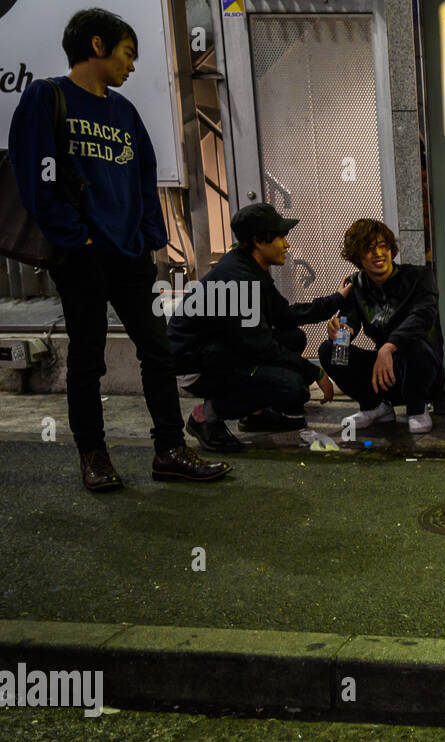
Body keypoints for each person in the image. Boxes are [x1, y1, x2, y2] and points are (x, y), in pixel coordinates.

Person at [7, 7, 229, 489]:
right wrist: (77, 239)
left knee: (157, 349)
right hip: (81, 256)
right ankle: (94, 456)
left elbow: (144, 177)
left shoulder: (124, 112)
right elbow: (37, 180)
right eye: (128, 54)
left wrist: (151, 237)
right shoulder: (46, 98)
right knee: (88, 359)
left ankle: (169, 450)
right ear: (96, 46)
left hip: (130, 255)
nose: (132, 66)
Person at [168, 203, 350, 451]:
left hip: (222, 349)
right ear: (258, 241)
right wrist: (314, 372)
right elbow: (261, 346)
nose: (287, 244)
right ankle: (205, 416)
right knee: (292, 387)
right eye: (281, 237)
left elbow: (284, 315)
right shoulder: (239, 279)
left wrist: (336, 300)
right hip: (194, 364)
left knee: (293, 338)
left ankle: (255, 413)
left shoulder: (250, 267)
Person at [320, 218, 445, 434]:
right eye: (369, 249)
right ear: (358, 256)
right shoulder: (356, 284)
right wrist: (341, 330)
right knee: (331, 350)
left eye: (382, 246)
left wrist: (389, 347)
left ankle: (417, 408)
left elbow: (422, 317)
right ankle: (375, 407)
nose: (378, 253)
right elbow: (349, 318)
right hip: (384, 374)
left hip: (422, 371)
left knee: (413, 343)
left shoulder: (419, 276)